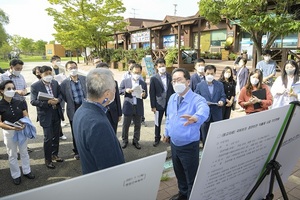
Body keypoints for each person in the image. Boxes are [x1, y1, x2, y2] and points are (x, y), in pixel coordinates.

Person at [163, 68, 209, 200]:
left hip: (189, 145)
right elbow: (169, 117)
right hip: (174, 144)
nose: (176, 83)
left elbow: (204, 110)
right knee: (179, 174)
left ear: (188, 82)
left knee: (191, 176)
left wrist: (196, 117)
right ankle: (183, 195)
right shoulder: (172, 98)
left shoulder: (197, 99)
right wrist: (167, 132)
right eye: (173, 81)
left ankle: (192, 196)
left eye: (179, 80)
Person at [73, 68, 125, 175]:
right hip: (103, 184)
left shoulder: (81, 110)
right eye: (115, 89)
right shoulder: (98, 124)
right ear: (107, 94)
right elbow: (111, 167)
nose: (116, 92)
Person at [0, 80, 35, 185]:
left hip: (21, 130)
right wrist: (11, 128)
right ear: (1, 91)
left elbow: (26, 115)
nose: (12, 90)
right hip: (9, 133)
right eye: (8, 89)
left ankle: (27, 171)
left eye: (13, 88)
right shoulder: (0, 105)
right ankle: (16, 175)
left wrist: (24, 124)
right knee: (12, 154)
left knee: (24, 152)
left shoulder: (19, 101)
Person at [30, 65, 65, 169]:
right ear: (40, 74)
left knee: (56, 136)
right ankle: (48, 159)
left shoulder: (55, 83)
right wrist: (48, 103)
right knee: (48, 138)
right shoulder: (35, 86)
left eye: (50, 73)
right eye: (46, 74)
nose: (49, 76)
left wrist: (58, 100)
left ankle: (55, 154)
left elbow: (60, 95)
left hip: (56, 112)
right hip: (45, 115)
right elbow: (33, 101)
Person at [60, 61, 87, 160]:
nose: (73, 69)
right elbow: (64, 97)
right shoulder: (64, 83)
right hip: (73, 108)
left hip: (85, 107)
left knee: (87, 129)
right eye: (70, 68)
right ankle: (77, 151)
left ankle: (87, 149)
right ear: (66, 69)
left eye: (75, 67)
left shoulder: (84, 79)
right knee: (75, 130)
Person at [195, 65, 226, 146]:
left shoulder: (219, 85)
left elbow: (223, 96)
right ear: (204, 73)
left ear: (215, 74)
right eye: (208, 73)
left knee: (217, 137)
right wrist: (203, 103)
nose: (210, 75)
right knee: (205, 136)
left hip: (217, 114)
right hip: (205, 116)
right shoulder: (200, 85)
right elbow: (195, 98)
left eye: (212, 74)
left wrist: (222, 101)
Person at [119, 64, 148, 150]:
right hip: (128, 105)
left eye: (139, 73)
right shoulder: (125, 81)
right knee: (126, 125)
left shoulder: (143, 83)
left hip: (138, 106)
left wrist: (144, 94)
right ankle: (125, 140)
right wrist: (126, 90)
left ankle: (136, 141)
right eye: (135, 72)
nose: (137, 74)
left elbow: (146, 95)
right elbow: (120, 90)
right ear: (131, 72)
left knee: (138, 125)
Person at [149, 58, 174, 147]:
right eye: (160, 66)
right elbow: (152, 93)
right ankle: (157, 138)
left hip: (169, 103)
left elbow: (173, 90)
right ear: (156, 67)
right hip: (158, 104)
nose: (162, 68)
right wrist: (153, 106)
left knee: (170, 121)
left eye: (163, 66)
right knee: (157, 122)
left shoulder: (170, 76)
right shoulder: (154, 78)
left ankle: (169, 137)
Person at [96, 62, 122, 134]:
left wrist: (119, 113)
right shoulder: (94, 84)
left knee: (113, 132)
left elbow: (117, 98)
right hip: (100, 113)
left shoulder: (114, 82)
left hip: (113, 112)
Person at [50, 55, 67, 139]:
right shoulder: (49, 70)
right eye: (57, 60)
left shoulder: (62, 69)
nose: (59, 62)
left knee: (62, 107)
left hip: (61, 90)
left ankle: (61, 120)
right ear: (53, 61)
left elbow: (65, 78)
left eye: (59, 60)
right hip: (52, 91)